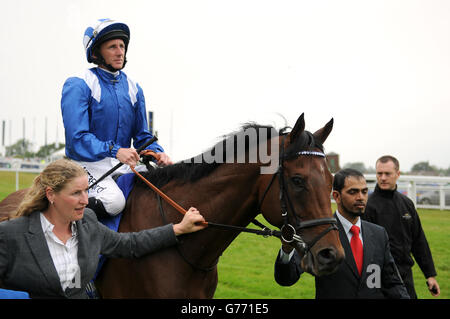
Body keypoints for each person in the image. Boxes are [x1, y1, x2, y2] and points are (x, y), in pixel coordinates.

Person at [0, 159, 206, 299]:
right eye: (76, 193)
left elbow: (129, 244)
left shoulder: (87, 222)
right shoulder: (10, 234)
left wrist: (178, 229)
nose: (85, 200)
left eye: (86, 191)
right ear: (51, 195)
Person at [61, 18, 172, 218]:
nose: (120, 51)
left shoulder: (134, 87)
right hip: (85, 163)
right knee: (114, 202)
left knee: (164, 184)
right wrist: (115, 150)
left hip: (122, 163)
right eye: (112, 46)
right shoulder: (78, 84)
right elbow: (76, 139)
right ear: (96, 53)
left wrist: (156, 153)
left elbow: (142, 135)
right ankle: (78, 240)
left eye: (122, 46)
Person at [274, 168, 409, 299]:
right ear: (336, 196)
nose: (361, 197)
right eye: (353, 192)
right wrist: (286, 250)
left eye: (364, 191)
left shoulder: (379, 234)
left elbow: (392, 283)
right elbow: (287, 278)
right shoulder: (318, 234)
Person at [363, 155, 440, 298]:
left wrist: (430, 275)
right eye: (379, 174)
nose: (383, 178)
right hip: (376, 275)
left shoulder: (407, 204)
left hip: (404, 274)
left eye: (387, 173)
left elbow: (419, 241)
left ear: (398, 174)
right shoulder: (367, 206)